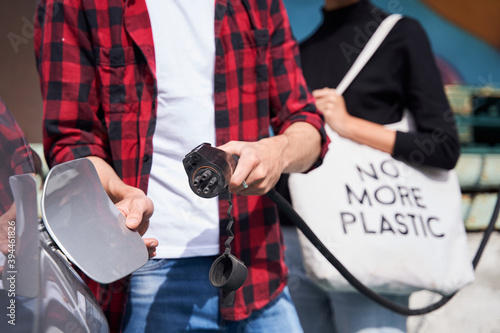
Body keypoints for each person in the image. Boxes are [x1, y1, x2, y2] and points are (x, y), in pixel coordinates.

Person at [34, 0, 329, 332]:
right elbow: (71, 138)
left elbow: (308, 128)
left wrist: (278, 151)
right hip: (143, 272)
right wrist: (114, 193)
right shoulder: (78, 4)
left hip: (257, 273)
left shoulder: (258, 5)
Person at [278, 0, 460, 332]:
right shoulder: (297, 52)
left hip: (368, 232)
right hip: (295, 240)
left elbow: (444, 148)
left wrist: (348, 125)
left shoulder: (400, 34)